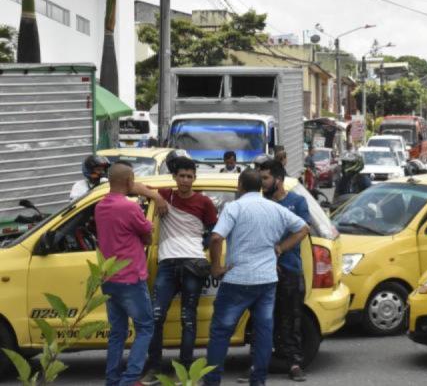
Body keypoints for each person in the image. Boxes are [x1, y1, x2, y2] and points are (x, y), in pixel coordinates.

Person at [205, 169, 309, 386]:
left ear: (240, 185)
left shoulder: (234, 208)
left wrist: (216, 267)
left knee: (221, 331)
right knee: (264, 332)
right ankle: (258, 380)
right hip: (266, 280)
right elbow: (303, 228)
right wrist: (281, 248)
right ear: (260, 187)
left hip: (237, 280)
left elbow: (216, 238)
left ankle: (212, 381)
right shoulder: (275, 208)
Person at [141, 157, 218, 384]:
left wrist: (205, 249)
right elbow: (133, 185)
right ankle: (154, 367)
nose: (185, 180)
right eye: (181, 176)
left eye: (189, 176)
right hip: (167, 264)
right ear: (174, 177)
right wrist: (156, 196)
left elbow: (215, 232)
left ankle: (184, 369)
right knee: (156, 316)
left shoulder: (204, 202)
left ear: (194, 178)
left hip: (193, 264)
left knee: (188, 319)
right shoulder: (166, 195)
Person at [95, 163, 166, 386]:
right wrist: (152, 195)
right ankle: (130, 378)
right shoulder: (129, 208)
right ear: (129, 181)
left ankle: (113, 379)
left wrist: (146, 191)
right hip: (130, 278)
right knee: (145, 327)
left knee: (118, 332)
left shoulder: (100, 206)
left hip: (109, 278)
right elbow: (147, 236)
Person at [260, 160, 311, 382]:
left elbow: (302, 230)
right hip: (263, 271)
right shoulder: (260, 203)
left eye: (265, 178)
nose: (262, 183)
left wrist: (280, 249)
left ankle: (294, 363)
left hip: (290, 270)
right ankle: (259, 364)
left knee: (291, 319)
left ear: (278, 180)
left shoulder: (297, 202)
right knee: (263, 319)